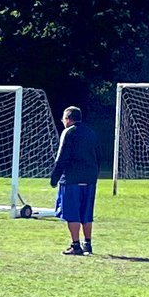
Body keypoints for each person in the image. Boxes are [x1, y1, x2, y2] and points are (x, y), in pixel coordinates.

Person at [50, 105, 101, 256]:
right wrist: (93, 175)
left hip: (72, 179)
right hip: (89, 179)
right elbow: (98, 156)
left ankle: (75, 245)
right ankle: (88, 243)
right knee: (86, 213)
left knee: (72, 213)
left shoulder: (68, 132)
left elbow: (62, 157)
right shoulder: (91, 132)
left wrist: (54, 177)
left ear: (68, 119)